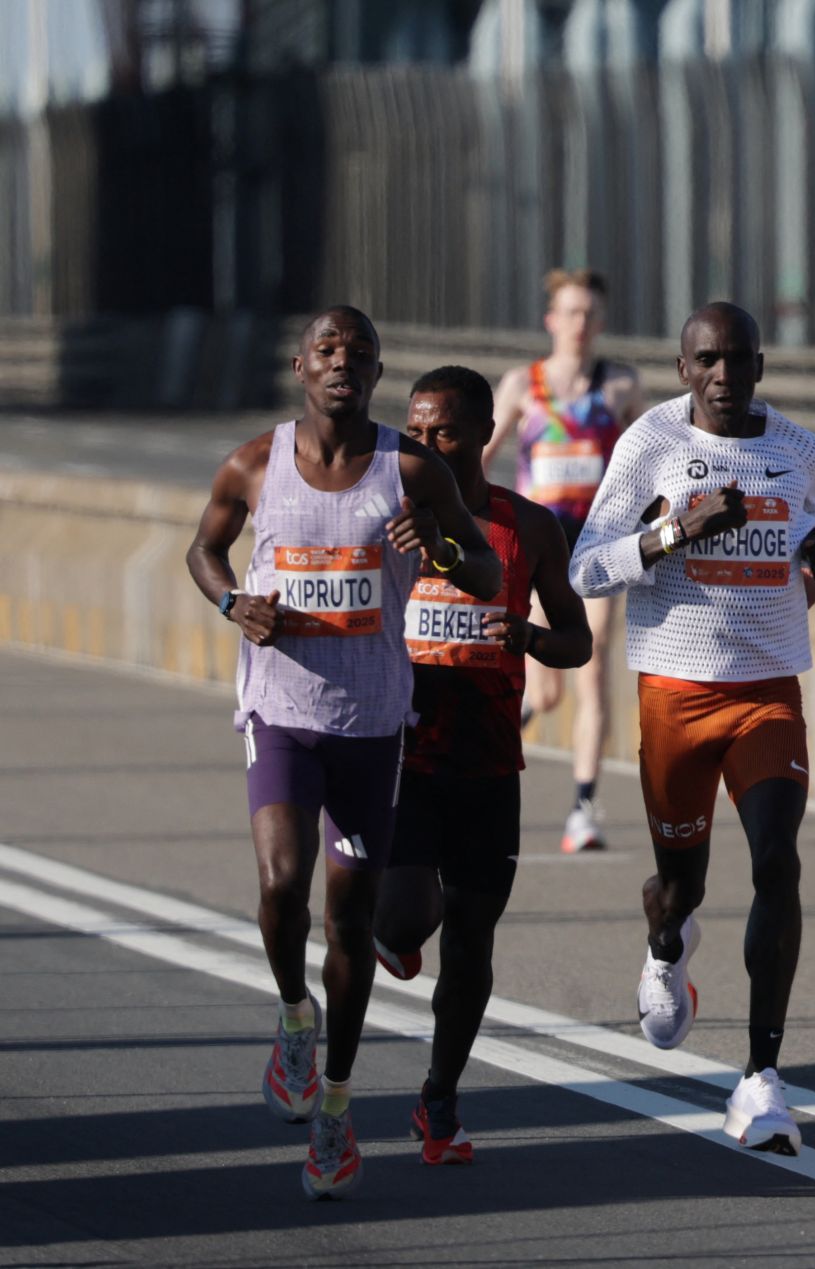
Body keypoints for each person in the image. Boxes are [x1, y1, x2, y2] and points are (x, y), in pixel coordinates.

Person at [184, 306, 502, 1199]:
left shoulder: (411, 468)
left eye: (359, 355)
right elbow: (204, 549)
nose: (342, 365)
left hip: (369, 724)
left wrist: (438, 544)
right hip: (280, 711)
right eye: (327, 351)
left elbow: (485, 573)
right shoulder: (256, 463)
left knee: (352, 922)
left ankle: (335, 1105)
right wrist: (232, 603)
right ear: (301, 366)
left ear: (375, 372)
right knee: (283, 883)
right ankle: (294, 1015)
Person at [570, 302, 815, 1156]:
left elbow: (812, 522)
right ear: (684, 369)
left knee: (777, 861)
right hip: (676, 693)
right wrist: (671, 532)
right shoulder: (650, 443)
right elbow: (586, 564)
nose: (724, 375)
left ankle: (762, 1078)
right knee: (680, 884)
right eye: (707, 360)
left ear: (761, 366)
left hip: (766, 691)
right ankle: (667, 939)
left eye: (739, 360)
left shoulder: (799, 448)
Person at [371, 366, 592, 1163]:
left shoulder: (527, 527)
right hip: (406, 756)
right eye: (417, 432)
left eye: (446, 432)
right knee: (403, 918)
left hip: (490, 763)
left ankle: (439, 1097)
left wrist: (528, 638)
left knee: (471, 940)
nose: (427, 445)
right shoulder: (387, 518)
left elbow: (578, 638)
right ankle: (389, 923)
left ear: (485, 435)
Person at [484, 269, 644, 854]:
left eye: (590, 314)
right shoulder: (521, 386)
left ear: (600, 323)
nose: (580, 324)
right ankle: (494, 745)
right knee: (546, 693)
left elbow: (650, 458)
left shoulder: (620, 387)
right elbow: (481, 458)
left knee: (594, 664)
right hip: (537, 549)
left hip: (597, 547)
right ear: (552, 320)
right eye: (570, 313)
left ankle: (583, 808)